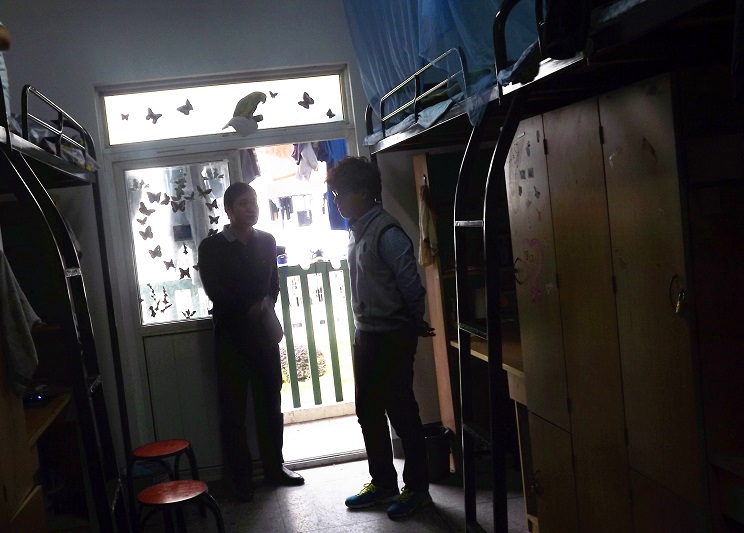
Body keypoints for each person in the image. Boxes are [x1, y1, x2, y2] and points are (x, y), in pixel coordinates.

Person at [327, 156, 435, 520]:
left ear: (363, 193)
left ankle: (417, 489)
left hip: (393, 333)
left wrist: (414, 322)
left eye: (341, 194)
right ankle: (383, 483)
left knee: (401, 411)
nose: (337, 201)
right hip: (367, 333)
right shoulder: (357, 230)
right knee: (368, 411)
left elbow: (411, 285)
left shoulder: (387, 232)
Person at [198, 182, 304, 503]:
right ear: (228, 210)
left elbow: (274, 284)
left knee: (270, 404)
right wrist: (248, 307)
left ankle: (275, 468)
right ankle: (240, 479)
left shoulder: (267, 241)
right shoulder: (211, 246)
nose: (252, 208)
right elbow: (215, 291)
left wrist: (266, 303)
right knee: (233, 411)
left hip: (264, 336)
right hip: (230, 338)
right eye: (244, 203)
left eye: (254, 202)